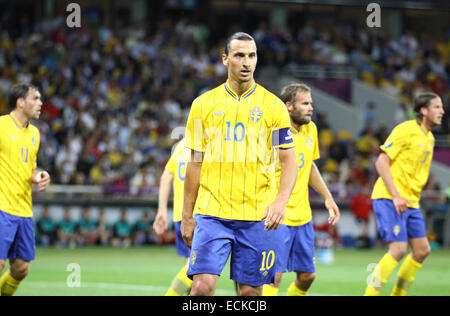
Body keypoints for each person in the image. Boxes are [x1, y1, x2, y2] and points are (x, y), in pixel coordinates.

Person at [181, 32, 298, 296]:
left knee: (250, 294)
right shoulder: (203, 105)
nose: (247, 62)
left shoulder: (274, 107)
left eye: (252, 55)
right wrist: (187, 215)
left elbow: (289, 159)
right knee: (201, 287)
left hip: (257, 217)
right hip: (213, 214)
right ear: (225, 59)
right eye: (239, 55)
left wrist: (280, 201)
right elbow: (195, 162)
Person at [262, 83, 340, 296]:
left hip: (303, 217)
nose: (310, 108)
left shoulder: (310, 129)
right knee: (272, 278)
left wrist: (327, 197)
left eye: (311, 103)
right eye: (305, 104)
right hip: (278, 216)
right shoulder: (276, 132)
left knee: (307, 276)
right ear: (288, 106)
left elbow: (309, 165)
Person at [364, 92, 445, 296]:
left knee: (422, 250)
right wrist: (396, 195)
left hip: (411, 202)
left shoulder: (430, 138)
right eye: (437, 107)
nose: (442, 111)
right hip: (391, 198)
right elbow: (381, 162)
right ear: (423, 111)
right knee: (398, 249)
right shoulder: (405, 130)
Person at [0, 83, 51, 296]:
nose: (41, 103)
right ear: (21, 102)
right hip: (2, 207)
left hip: (24, 211)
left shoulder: (35, 134)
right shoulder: (1, 126)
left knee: (21, 269)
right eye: (36, 98)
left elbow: (28, 168)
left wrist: (39, 176)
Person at [153, 137, 193, 296]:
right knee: (195, 268)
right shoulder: (207, 143)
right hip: (195, 215)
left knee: (192, 273)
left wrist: (162, 210)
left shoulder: (181, 146)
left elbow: (165, 177)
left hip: (179, 216)